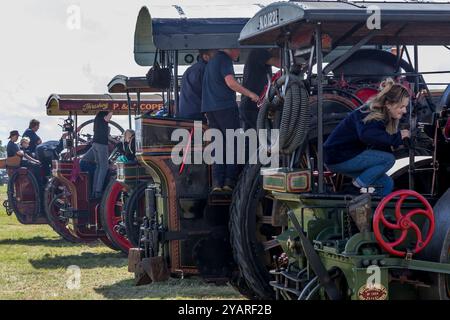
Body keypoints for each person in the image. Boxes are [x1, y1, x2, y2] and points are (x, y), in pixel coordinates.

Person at [324, 78, 410, 196]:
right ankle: (354, 188)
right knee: (388, 159)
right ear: (388, 104)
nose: (405, 110)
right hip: (339, 156)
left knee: (386, 183)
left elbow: (378, 141)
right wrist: (398, 138)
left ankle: (371, 211)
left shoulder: (381, 116)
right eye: (401, 106)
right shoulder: (369, 113)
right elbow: (367, 136)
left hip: (346, 156)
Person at [201, 48, 260, 192]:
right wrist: (251, 94)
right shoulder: (224, 60)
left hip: (210, 109)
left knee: (218, 145)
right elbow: (231, 83)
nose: (239, 53)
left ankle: (217, 183)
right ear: (231, 50)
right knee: (234, 143)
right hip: (225, 107)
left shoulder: (212, 61)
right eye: (238, 50)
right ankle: (229, 182)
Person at [239, 48, 281, 130]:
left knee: (252, 138)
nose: (280, 54)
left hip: (250, 105)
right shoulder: (259, 52)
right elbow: (281, 63)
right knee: (262, 136)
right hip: (253, 105)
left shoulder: (258, 57)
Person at [178, 49, 217, 120]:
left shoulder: (191, 69)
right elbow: (209, 94)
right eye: (215, 55)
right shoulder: (205, 70)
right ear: (206, 57)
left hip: (186, 111)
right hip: (197, 113)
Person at [82, 110, 113, 199]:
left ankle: (94, 191)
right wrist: (110, 108)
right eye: (109, 117)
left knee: (98, 167)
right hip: (102, 145)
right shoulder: (104, 118)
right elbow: (109, 114)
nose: (110, 118)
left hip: (95, 144)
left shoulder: (97, 121)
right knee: (104, 167)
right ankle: (99, 192)